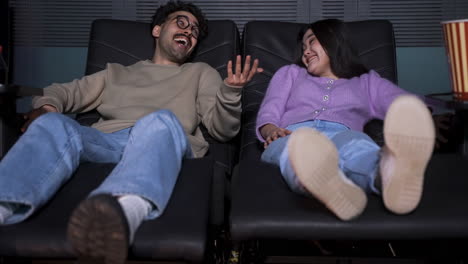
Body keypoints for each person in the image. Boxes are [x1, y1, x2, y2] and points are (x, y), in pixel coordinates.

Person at [0, 1, 262, 263]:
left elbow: (223, 129)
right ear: (157, 30)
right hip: (107, 141)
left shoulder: (200, 72)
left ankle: (117, 219)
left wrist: (230, 92)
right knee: (54, 124)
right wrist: (46, 108)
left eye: (195, 30)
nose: (189, 31)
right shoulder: (115, 72)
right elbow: (61, 91)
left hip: (162, 139)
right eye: (181, 22)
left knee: (159, 119)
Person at [256, 18, 438, 221]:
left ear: (332, 40)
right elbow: (269, 111)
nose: (305, 52)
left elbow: (404, 103)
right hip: (293, 135)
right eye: (303, 47)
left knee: (358, 146)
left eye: (312, 41)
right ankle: (322, 183)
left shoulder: (366, 81)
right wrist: (271, 130)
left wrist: (429, 115)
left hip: (343, 132)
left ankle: (387, 176)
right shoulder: (290, 73)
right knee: (294, 151)